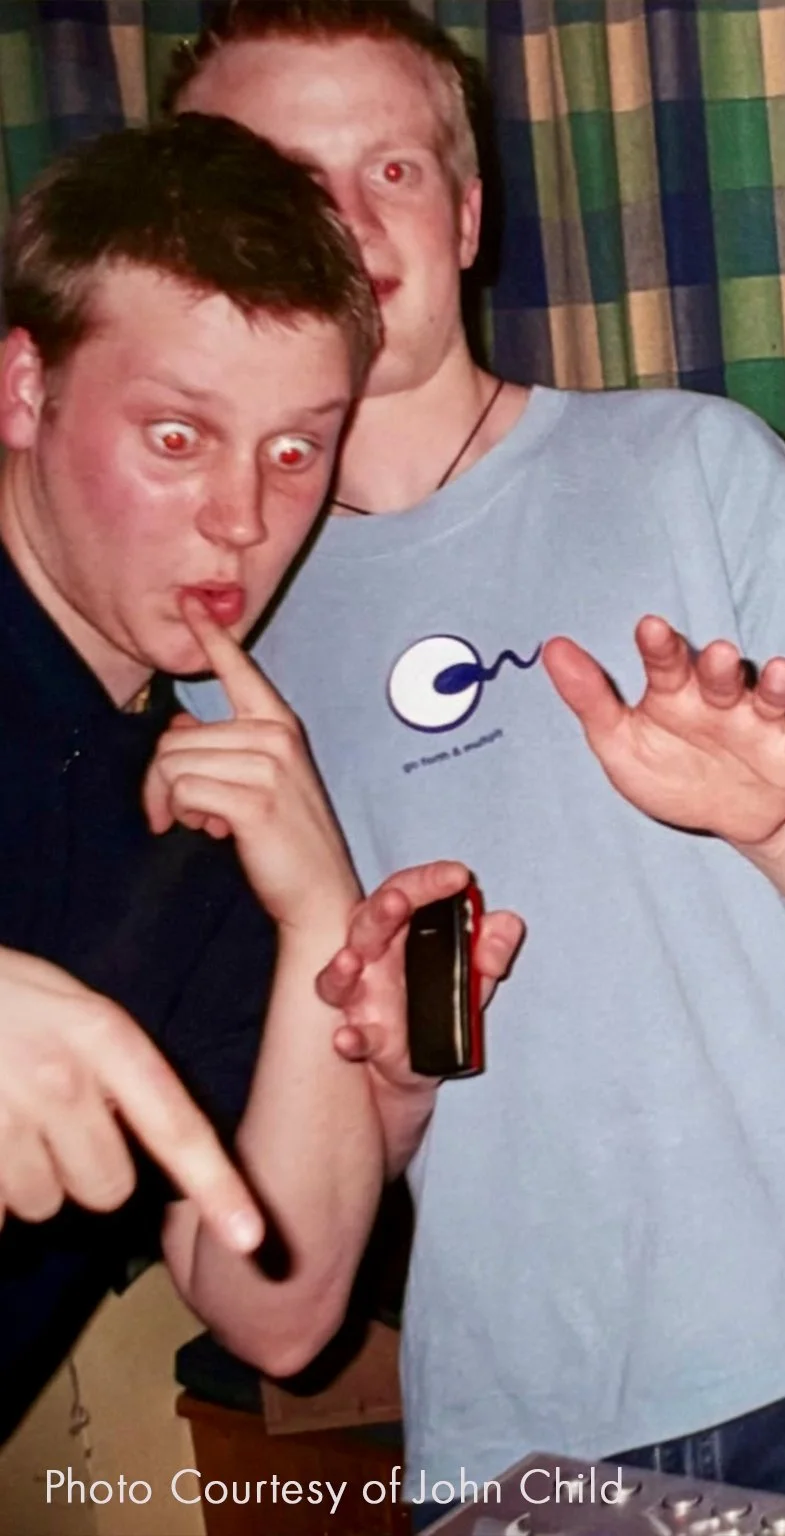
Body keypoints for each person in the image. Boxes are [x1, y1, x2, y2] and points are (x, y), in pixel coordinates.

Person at [166, 4, 785, 1528]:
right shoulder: (204, 643)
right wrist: (394, 1075)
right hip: (510, 1435)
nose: (351, 223)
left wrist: (782, 823)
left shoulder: (694, 465)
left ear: (470, 210)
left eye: (394, 171)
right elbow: (290, 1213)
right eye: (288, 182)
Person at [0, 113, 523, 1438]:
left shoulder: (214, 784)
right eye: (177, 437)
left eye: (296, 450)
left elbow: (280, 1311)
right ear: (24, 390)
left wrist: (310, 916)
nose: (245, 515)